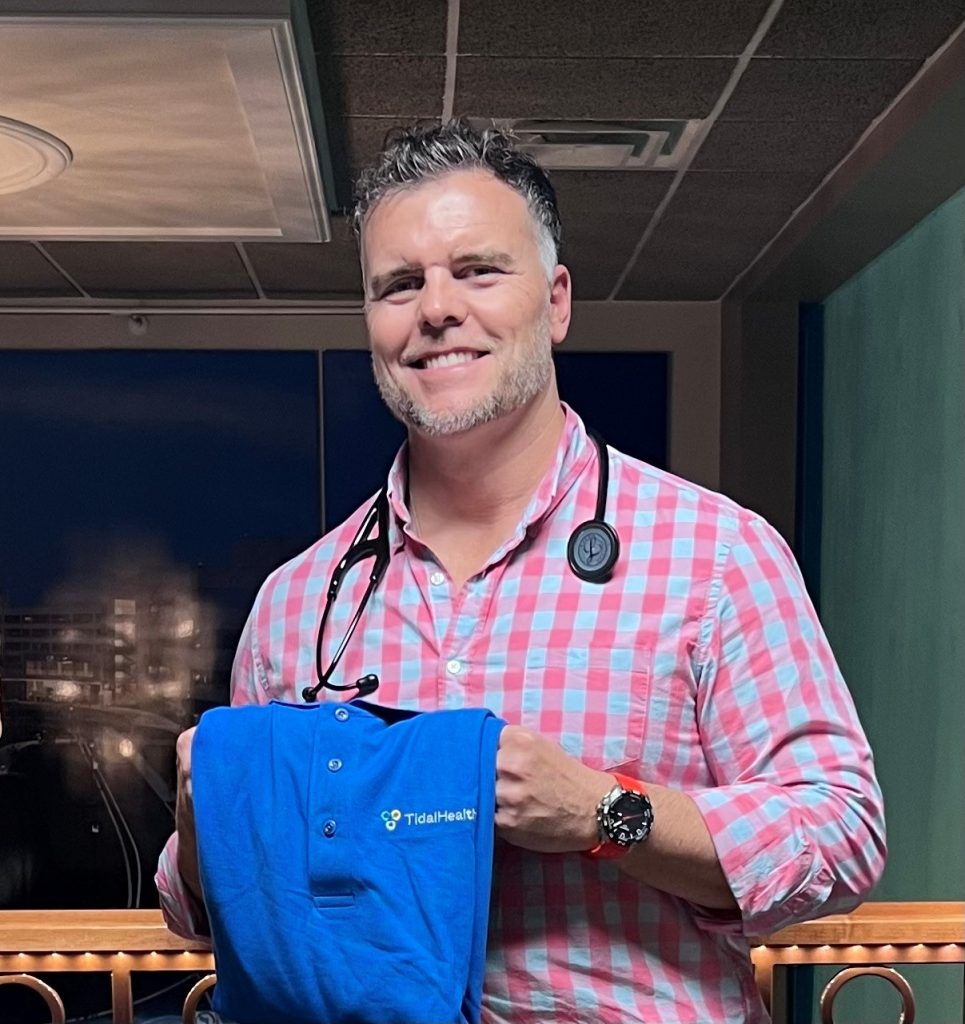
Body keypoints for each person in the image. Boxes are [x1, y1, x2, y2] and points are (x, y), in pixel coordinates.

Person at [156, 120, 886, 1024]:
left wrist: (603, 814)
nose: (435, 310)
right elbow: (198, 911)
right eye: (398, 285)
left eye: (477, 270)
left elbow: (839, 834)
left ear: (556, 301)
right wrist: (207, 816)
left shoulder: (716, 555)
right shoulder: (300, 600)